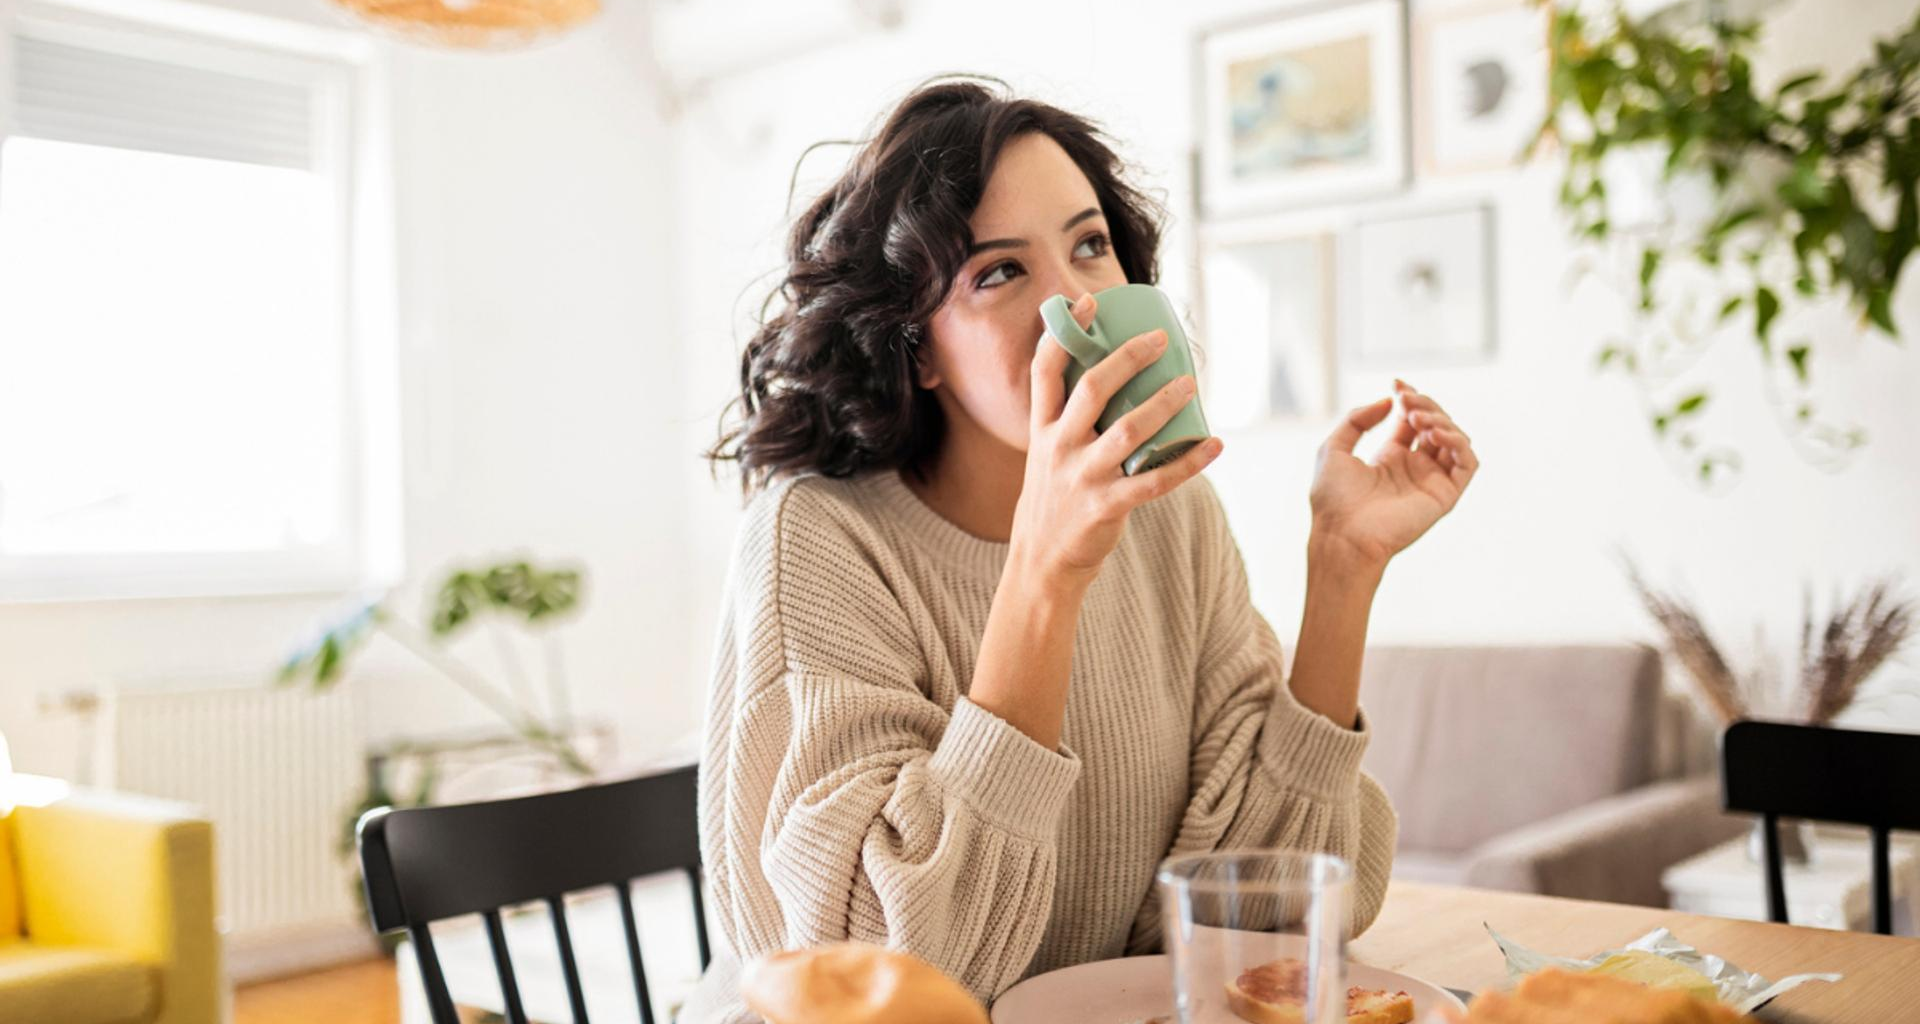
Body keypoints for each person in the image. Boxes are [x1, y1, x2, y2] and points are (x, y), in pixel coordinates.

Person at [684, 76, 1480, 1023]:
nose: (1077, 306)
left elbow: (1270, 919)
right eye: (999, 272)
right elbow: (886, 981)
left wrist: (1343, 566)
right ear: (920, 350)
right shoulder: (815, 538)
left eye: (1091, 246)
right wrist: (1045, 575)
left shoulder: (1171, 516)